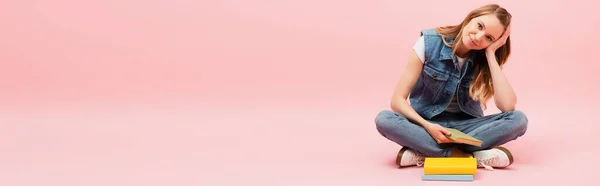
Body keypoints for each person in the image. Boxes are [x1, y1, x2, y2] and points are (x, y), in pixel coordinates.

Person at [374, 4, 528, 170]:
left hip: (467, 128)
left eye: (489, 38)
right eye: (480, 26)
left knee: (518, 120)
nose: (479, 37)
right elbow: (397, 100)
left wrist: (491, 55)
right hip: (427, 124)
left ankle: (426, 152)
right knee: (384, 119)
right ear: (471, 18)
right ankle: (469, 156)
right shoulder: (429, 42)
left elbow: (508, 106)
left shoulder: (483, 58)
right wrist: (428, 127)